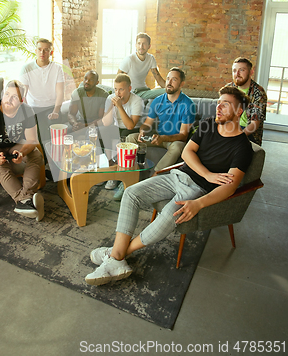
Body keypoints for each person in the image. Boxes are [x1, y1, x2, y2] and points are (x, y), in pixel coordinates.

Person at [85, 86, 254, 285]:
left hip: (196, 190)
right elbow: (186, 153)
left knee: (168, 216)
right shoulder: (208, 125)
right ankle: (117, 257)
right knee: (131, 193)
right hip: (176, 175)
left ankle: (115, 255)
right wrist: (208, 173)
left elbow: (230, 187)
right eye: (218, 103)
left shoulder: (243, 147)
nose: (219, 107)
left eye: (226, 104)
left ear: (239, 111)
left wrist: (198, 203)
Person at [0, 80, 44, 221]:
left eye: (14, 97)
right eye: (6, 94)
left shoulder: (27, 111)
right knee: (1, 165)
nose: (8, 99)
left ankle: (25, 200)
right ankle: (24, 200)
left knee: (36, 154)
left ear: (22, 101)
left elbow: (32, 140)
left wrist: (22, 152)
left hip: (14, 145)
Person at [127, 67, 195, 172]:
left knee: (178, 146)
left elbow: (183, 135)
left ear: (182, 84)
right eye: (168, 79)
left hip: (173, 141)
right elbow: (147, 124)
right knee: (131, 138)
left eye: (174, 79)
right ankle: (128, 172)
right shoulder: (158, 101)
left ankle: (156, 174)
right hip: (156, 138)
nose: (169, 82)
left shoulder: (188, 104)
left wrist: (163, 138)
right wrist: (142, 131)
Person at [19, 38, 65, 158]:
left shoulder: (57, 68)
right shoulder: (27, 68)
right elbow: (23, 94)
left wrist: (56, 111)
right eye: (40, 49)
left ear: (51, 52)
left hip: (52, 107)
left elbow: (60, 93)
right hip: (33, 107)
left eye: (46, 50)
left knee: (52, 131)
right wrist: (27, 111)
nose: (42, 53)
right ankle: (42, 163)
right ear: (35, 50)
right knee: (37, 133)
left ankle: (54, 162)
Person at [100, 73, 144, 190]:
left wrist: (119, 107)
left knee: (123, 136)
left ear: (129, 89)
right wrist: (110, 106)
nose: (117, 93)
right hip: (116, 127)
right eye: (115, 89)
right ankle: (110, 169)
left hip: (131, 129)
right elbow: (106, 123)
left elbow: (130, 125)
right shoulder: (110, 98)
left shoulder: (136, 101)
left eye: (121, 89)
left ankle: (118, 175)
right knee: (103, 130)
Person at [228, 57, 267, 145]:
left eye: (241, 70)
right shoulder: (229, 89)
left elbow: (254, 125)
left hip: (248, 133)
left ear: (251, 72)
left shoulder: (259, 93)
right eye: (234, 71)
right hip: (230, 128)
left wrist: (237, 137)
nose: (237, 74)